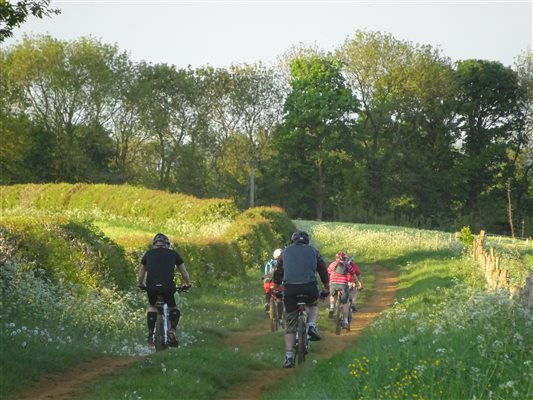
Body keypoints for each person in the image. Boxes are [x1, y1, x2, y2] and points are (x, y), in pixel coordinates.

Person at [273, 230, 329, 368]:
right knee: (314, 303)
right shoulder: (313, 251)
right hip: (309, 287)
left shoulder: (285, 252)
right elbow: (322, 269)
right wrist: (326, 287)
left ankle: (289, 357)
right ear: (307, 241)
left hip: (290, 289)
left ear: (293, 241)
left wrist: (276, 287)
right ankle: (312, 325)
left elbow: (278, 271)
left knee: (290, 325)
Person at [137, 233, 192, 347]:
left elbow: (141, 272)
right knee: (173, 307)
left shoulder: (148, 254)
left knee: (152, 306)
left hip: (151, 286)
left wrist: (140, 284)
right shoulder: (173, 254)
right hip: (168, 287)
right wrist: (187, 284)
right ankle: (172, 330)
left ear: (154, 244)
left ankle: (151, 334)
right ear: (167, 244)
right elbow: (184, 272)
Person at [327, 251, 362, 328]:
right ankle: (346, 321)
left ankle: (332, 307)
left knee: (332, 295)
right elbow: (354, 274)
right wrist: (358, 282)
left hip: (333, 284)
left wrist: (328, 282)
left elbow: (328, 272)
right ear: (344, 258)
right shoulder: (347, 265)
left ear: (336, 258)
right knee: (345, 302)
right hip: (343, 284)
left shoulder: (333, 264)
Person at [263, 248, 283, 314]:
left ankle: (267, 304)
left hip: (268, 283)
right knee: (281, 294)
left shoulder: (269, 263)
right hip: (279, 284)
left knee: (267, 291)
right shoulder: (284, 262)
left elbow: (266, 274)